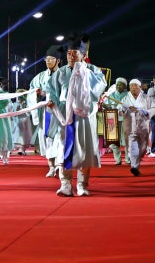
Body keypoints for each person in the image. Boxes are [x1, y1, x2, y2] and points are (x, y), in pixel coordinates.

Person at [45, 34, 107, 197]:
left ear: (84, 55)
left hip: (85, 116)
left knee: (84, 150)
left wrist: (83, 77)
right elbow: (52, 91)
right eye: (68, 53)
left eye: (75, 53)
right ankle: (65, 184)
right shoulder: (60, 73)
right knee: (63, 148)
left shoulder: (93, 71)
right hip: (66, 116)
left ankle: (82, 184)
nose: (71, 56)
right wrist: (54, 104)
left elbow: (99, 88)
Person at [27, 45, 62, 177]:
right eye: (46, 59)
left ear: (58, 61)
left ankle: (60, 165)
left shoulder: (63, 74)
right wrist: (36, 94)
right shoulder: (40, 77)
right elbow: (30, 92)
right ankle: (51, 166)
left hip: (60, 112)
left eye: (51, 59)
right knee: (47, 139)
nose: (48, 61)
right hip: (46, 113)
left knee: (60, 138)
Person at [123, 78, 155, 176]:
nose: (133, 88)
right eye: (131, 86)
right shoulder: (125, 98)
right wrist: (125, 108)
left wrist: (144, 111)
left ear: (140, 87)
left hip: (143, 126)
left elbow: (154, 108)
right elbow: (119, 108)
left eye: (135, 86)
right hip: (130, 127)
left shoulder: (146, 98)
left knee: (142, 148)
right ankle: (134, 167)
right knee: (133, 148)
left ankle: (136, 161)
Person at [102, 77, 130, 165]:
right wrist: (105, 106)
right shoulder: (111, 95)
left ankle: (128, 159)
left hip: (125, 119)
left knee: (126, 140)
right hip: (112, 119)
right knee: (113, 141)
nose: (118, 86)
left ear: (125, 86)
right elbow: (106, 106)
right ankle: (118, 159)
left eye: (120, 85)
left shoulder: (128, 95)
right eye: (117, 84)